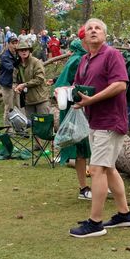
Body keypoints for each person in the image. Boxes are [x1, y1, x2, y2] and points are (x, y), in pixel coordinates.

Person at [69, 18, 130, 238]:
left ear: (105, 35)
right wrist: (67, 93)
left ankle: (95, 222)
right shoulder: (85, 60)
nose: (93, 31)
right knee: (108, 168)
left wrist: (91, 100)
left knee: (97, 169)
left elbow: (120, 85)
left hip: (111, 120)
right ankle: (124, 215)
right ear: (84, 37)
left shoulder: (112, 55)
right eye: (89, 28)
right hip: (94, 120)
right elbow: (77, 86)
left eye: (98, 28)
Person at [56, 37, 95, 198]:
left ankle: (97, 185)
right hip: (79, 111)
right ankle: (84, 188)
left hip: (91, 110)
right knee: (82, 150)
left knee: (92, 150)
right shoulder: (77, 60)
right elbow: (62, 86)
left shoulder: (89, 58)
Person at [14, 39, 51, 117]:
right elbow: (17, 80)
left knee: (43, 125)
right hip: (28, 100)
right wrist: (17, 86)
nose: (24, 52)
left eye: (26, 50)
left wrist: (24, 85)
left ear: (29, 51)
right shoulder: (18, 65)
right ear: (18, 52)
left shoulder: (36, 62)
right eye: (21, 50)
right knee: (31, 125)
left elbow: (39, 79)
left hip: (41, 99)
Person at [0, 34, 21, 124]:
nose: (15, 45)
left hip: (16, 84)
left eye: (16, 43)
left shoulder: (15, 55)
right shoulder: (5, 56)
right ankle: (8, 129)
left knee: (17, 106)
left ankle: (19, 128)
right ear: (8, 44)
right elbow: (10, 68)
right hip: (7, 85)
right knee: (9, 107)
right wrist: (19, 59)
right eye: (13, 43)